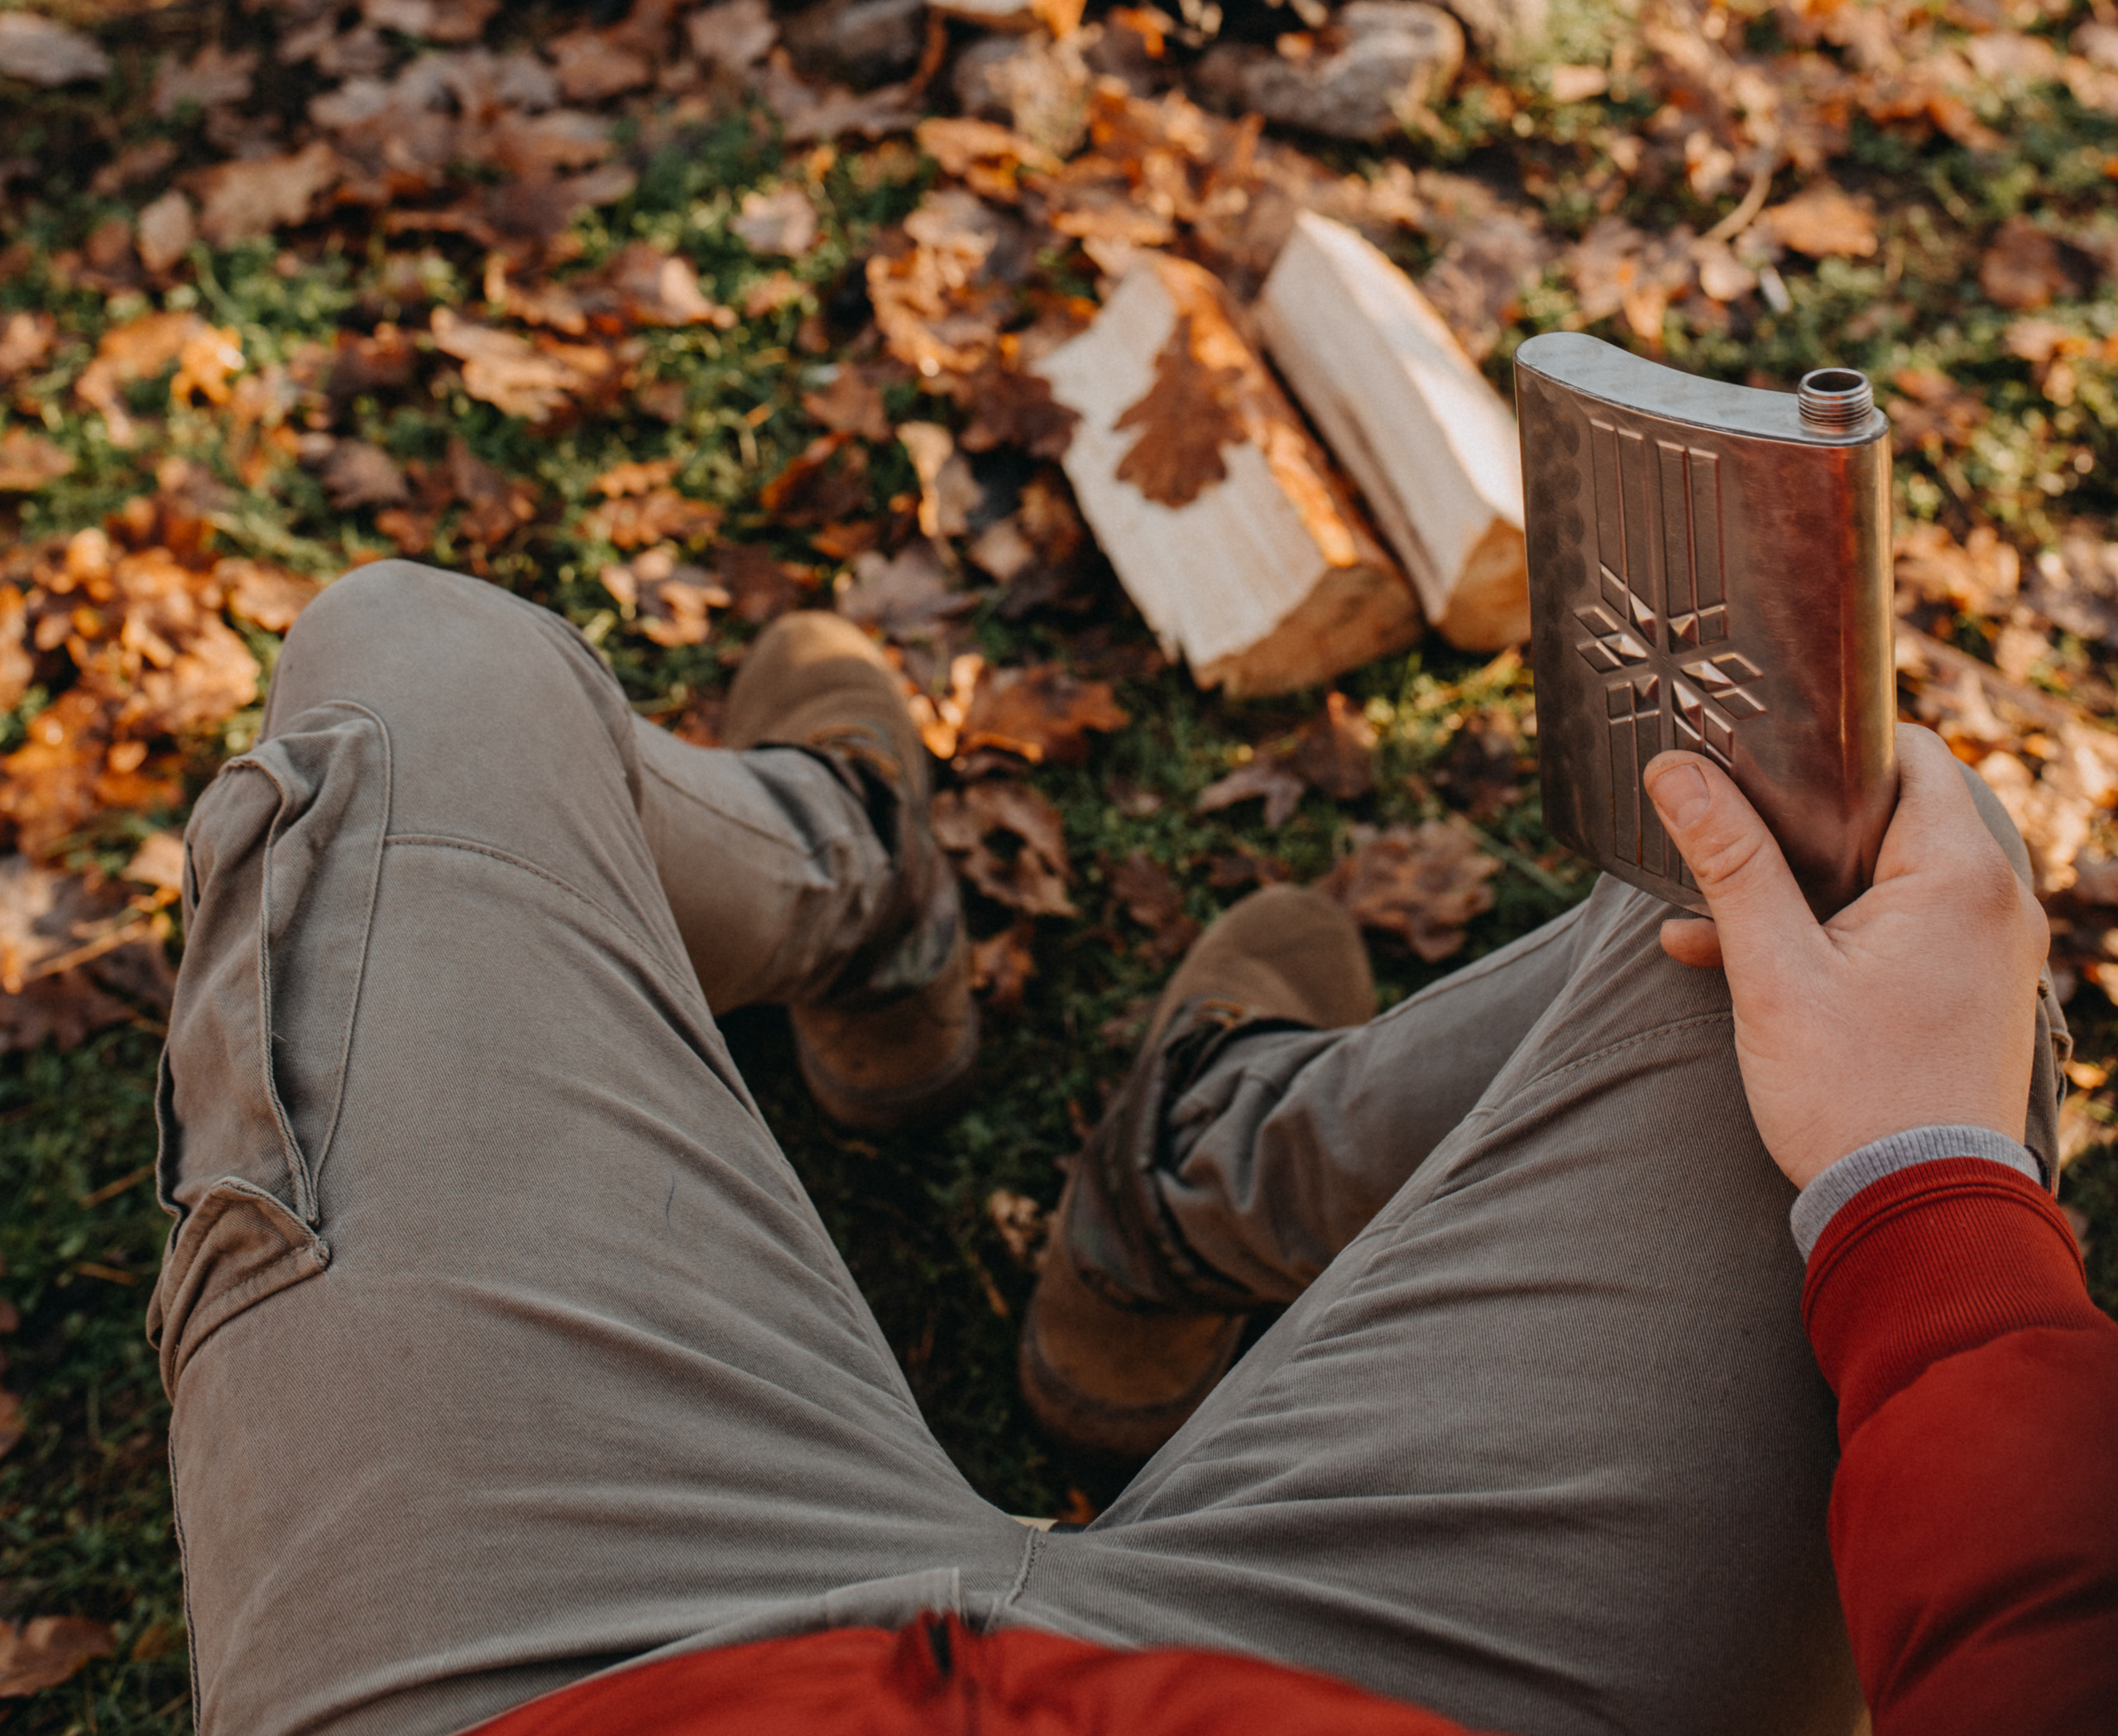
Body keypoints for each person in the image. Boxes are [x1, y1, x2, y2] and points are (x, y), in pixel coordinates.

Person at [149, 560, 2118, 1736]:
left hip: (569, 1689)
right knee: (1851, 890)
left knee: (414, 674)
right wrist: (1927, 1191)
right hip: (1461, 1697)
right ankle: (1189, 1180)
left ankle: (867, 880)